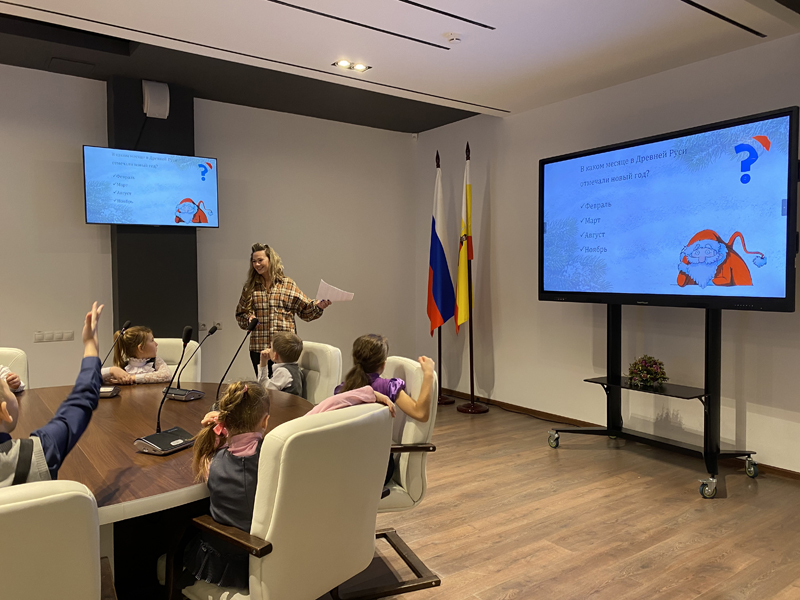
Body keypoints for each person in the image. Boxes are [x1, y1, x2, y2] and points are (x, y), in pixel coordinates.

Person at [0, 302, 104, 486]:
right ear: (4, 412)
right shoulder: (35, 454)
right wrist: (90, 345)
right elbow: (81, 401)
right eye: (8, 391)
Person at [183, 381, 271, 589]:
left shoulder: (212, 462)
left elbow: (205, 453)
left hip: (229, 563)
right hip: (270, 558)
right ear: (265, 421)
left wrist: (216, 433)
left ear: (224, 421)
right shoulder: (275, 458)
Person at [335, 334, 435, 484]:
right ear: (383, 364)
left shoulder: (342, 390)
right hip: (378, 468)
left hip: (344, 464)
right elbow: (420, 413)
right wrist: (428, 375)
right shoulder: (387, 387)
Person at [235, 243, 331, 376]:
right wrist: (249, 318)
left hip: (285, 350)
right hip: (259, 349)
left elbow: (305, 310)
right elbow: (241, 314)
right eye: (254, 261)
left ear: (271, 260)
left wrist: (318, 306)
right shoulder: (250, 287)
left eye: (260, 260)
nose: (257, 264)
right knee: (264, 386)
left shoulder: (287, 284)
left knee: (286, 386)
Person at [101, 325, 171, 385]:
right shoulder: (124, 368)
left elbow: (167, 375)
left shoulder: (156, 362)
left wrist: (133, 378)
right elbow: (96, 376)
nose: (156, 344)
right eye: (152, 340)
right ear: (141, 348)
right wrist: (112, 370)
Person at [258, 331, 305, 397]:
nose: (268, 349)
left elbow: (265, 391)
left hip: (284, 404)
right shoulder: (296, 369)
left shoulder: (283, 372)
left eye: (270, 347)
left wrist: (263, 362)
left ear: (275, 355)